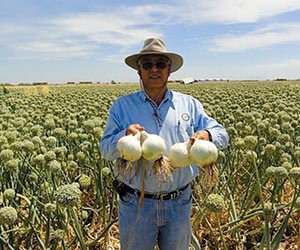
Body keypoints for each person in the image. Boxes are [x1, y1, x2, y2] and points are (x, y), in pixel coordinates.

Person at [100, 38, 229, 250]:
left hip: (179, 202)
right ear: (139, 71)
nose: (154, 69)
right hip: (136, 204)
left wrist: (206, 135)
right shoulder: (121, 107)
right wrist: (125, 137)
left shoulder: (189, 104)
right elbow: (105, 149)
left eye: (160, 64)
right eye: (147, 64)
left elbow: (222, 134)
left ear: (169, 69)